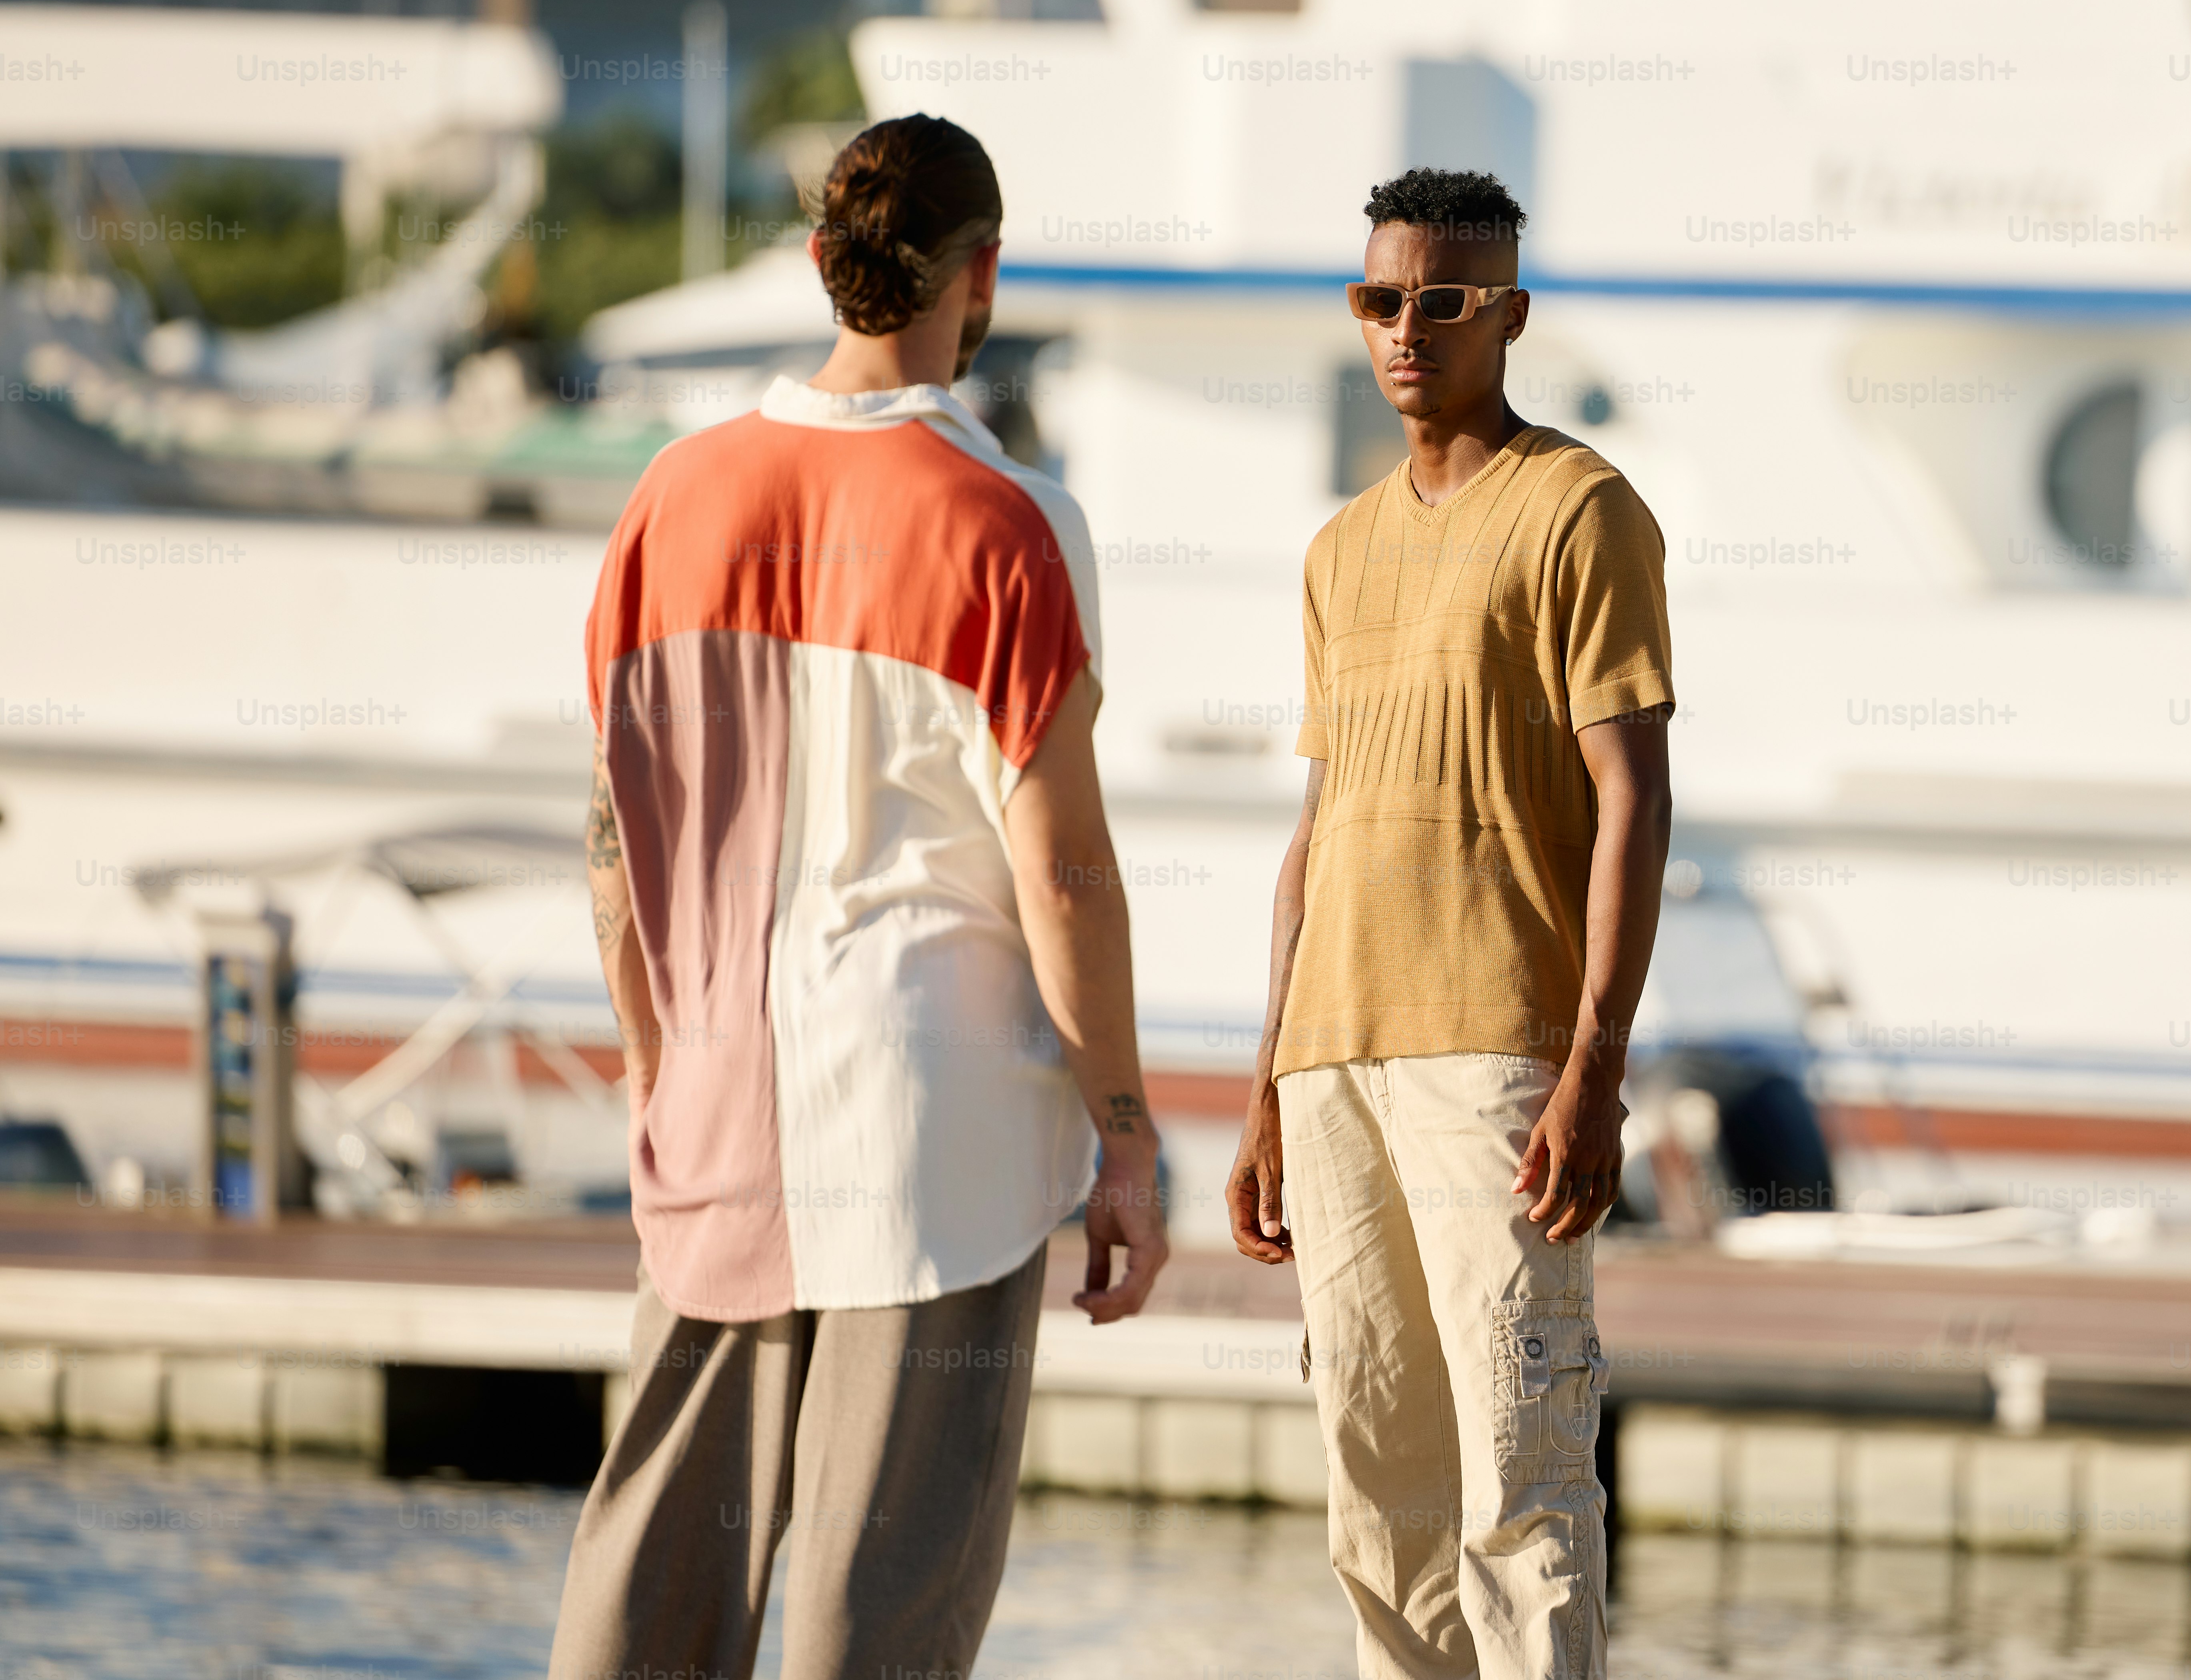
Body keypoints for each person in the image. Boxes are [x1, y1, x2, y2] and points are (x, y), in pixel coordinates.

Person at [554, 114, 1166, 1680]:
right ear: (984, 278)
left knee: (645, 1602)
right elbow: (1066, 868)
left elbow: (617, 846)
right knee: (873, 1617)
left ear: (822, 266)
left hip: (715, 1103)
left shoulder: (670, 498)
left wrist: (649, 1059)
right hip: (932, 1141)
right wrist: (1124, 1128)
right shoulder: (1011, 521)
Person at [1227, 168, 1674, 1680]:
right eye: (1377, 299)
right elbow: (1314, 835)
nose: (1404, 328)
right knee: (1378, 1504)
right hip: (1333, 1064)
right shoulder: (1335, 549)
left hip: (1497, 1057)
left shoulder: (1581, 512)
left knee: (1519, 1485)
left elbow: (1633, 800)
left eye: (1440, 301)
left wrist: (1594, 1064)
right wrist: (1265, 1086)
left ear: (1509, 316)